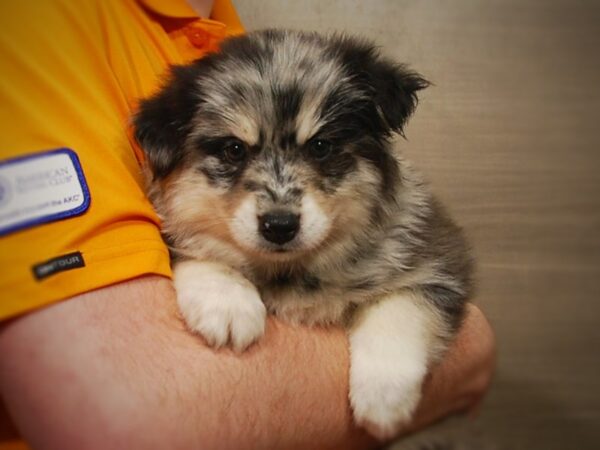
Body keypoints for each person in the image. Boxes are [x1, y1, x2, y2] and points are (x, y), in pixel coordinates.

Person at [0, 0, 496, 448]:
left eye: (320, 149)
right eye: (234, 152)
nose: (279, 205)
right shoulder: (32, 34)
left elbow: (437, 280)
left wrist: (400, 340)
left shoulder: (221, 31)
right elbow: (129, 424)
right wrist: (204, 272)